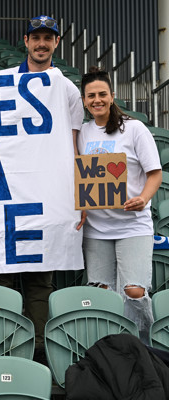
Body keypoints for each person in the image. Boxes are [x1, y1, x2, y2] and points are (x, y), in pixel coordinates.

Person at [0, 15, 85, 362]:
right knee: (1, 278)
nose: (42, 43)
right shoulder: (0, 81)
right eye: (36, 37)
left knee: (39, 282)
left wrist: (79, 195)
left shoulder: (68, 89)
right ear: (25, 41)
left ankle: (39, 352)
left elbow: (75, 144)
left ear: (56, 43)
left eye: (49, 38)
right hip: (5, 197)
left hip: (47, 199)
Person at [77, 66, 161, 339]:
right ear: (84, 100)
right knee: (101, 293)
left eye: (102, 94)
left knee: (133, 291)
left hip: (133, 226)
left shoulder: (134, 129)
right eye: (91, 96)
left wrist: (144, 198)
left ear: (112, 96)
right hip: (97, 229)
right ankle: (109, 348)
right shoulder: (83, 133)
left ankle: (142, 346)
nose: (97, 100)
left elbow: (155, 173)